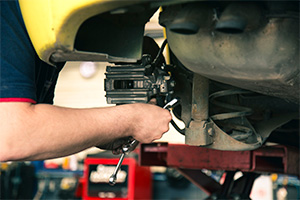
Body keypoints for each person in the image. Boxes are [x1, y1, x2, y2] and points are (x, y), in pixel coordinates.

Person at [0, 1, 171, 162]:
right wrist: (129, 121)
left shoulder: (43, 25)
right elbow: (12, 136)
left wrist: (104, 132)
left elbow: (38, 138)